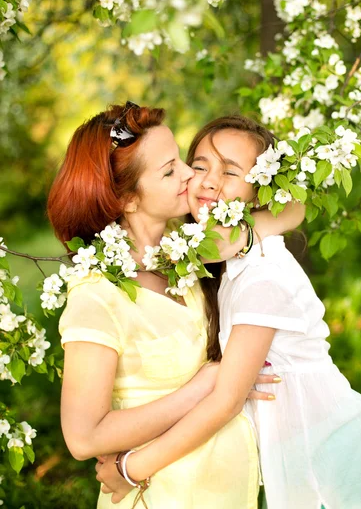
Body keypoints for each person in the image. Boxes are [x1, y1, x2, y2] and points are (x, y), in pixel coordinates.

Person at [97, 115, 361, 509]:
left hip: (333, 467)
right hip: (299, 467)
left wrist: (130, 468)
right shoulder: (209, 257)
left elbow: (225, 400)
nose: (209, 181)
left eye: (232, 171)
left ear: (259, 192)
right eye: (201, 165)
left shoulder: (262, 274)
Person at [48, 103, 302, 509]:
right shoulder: (98, 296)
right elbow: (82, 438)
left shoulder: (188, 253)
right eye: (170, 171)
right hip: (161, 497)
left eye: (181, 159)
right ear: (128, 199)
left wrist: (244, 237)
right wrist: (208, 385)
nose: (190, 175)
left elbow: (293, 208)